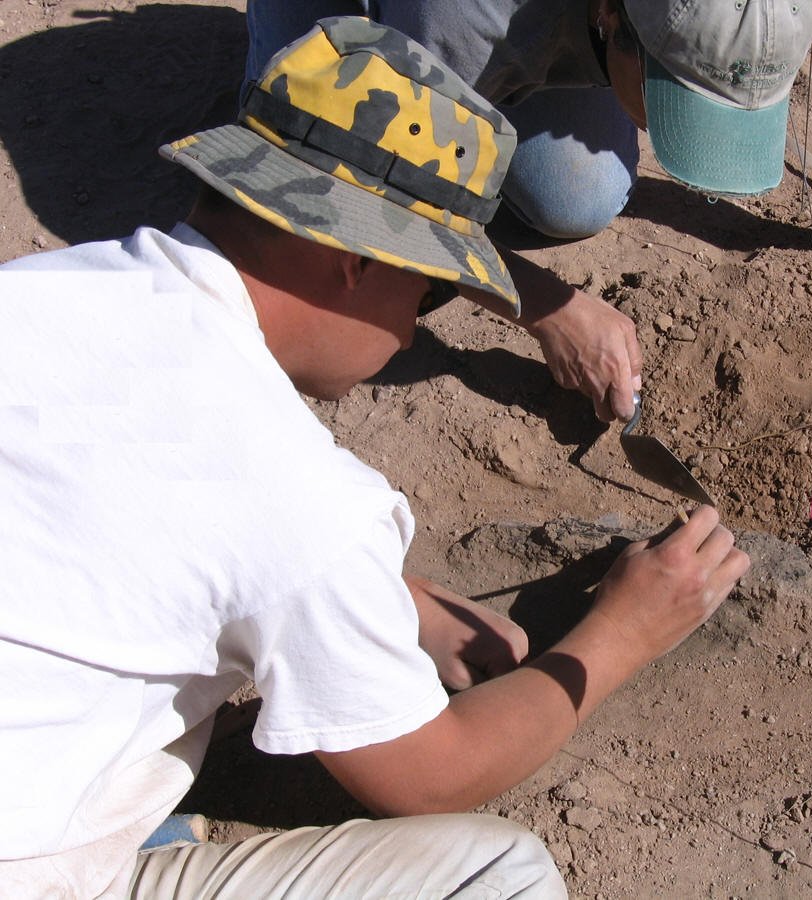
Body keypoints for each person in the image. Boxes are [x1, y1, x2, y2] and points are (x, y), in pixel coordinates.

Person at [0, 18, 750, 898]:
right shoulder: (301, 498)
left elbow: (116, 506)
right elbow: (430, 776)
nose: (412, 325)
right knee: (504, 875)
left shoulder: (43, 292)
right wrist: (624, 632)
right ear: (356, 260)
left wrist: (400, 601)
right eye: (430, 285)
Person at [247, 0, 812, 414]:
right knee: (314, 209)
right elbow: (375, 199)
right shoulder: (467, 14)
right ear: (610, 17)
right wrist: (548, 307)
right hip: (403, 23)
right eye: (672, 93)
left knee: (575, 194)